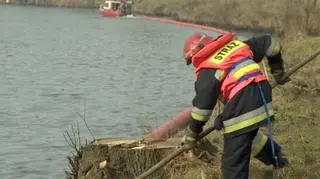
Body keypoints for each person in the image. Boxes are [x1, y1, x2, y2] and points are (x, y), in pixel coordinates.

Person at [181, 31, 290, 179]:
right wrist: (278, 71)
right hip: (262, 95)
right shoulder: (238, 46)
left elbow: (202, 109)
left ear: (195, 55)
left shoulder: (208, 68)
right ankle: (279, 161)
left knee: (232, 165)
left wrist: (191, 135)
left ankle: (278, 162)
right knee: (244, 134)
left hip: (244, 102)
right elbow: (272, 43)